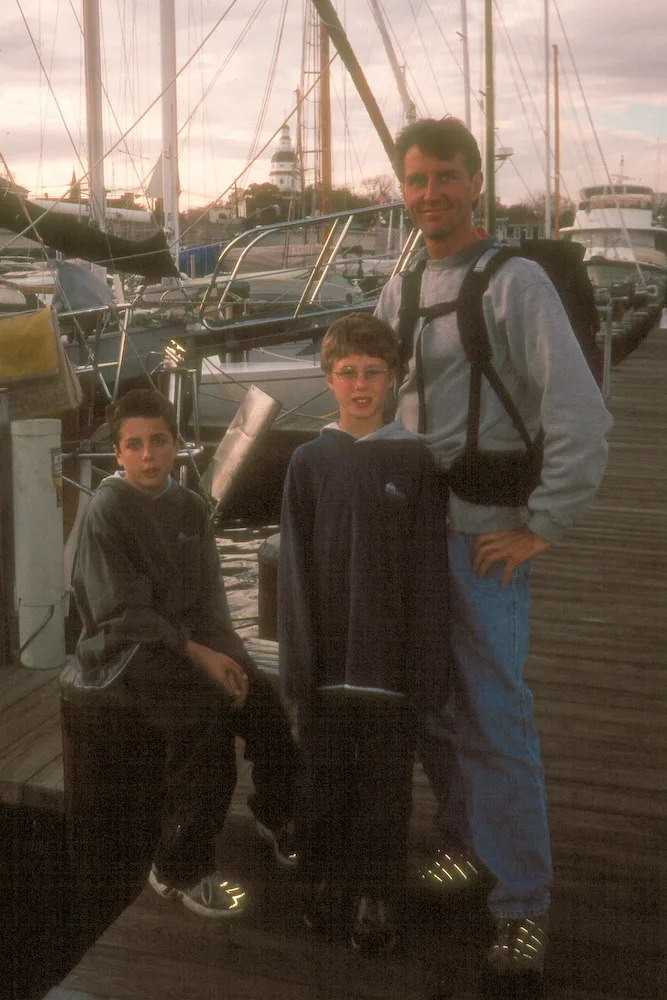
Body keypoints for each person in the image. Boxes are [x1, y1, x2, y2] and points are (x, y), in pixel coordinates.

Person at [375, 116, 613, 976]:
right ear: (399, 189)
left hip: (482, 542)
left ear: (475, 181)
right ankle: (468, 843)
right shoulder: (400, 290)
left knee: (494, 719)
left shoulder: (515, 284)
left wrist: (543, 523)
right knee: (433, 707)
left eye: (444, 176)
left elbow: (578, 413)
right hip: (408, 536)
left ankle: (521, 905)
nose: (428, 193)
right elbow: (381, 407)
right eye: (414, 179)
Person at [73, 388, 299, 919]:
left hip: (185, 642)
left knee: (263, 702)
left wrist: (232, 658)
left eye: (159, 442)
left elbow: (209, 602)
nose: (148, 455)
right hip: (124, 651)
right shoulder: (107, 509)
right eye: (135, 445)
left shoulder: (189, 506)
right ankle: (177, 868)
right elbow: (123, 613)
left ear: (176, 444)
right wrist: (199, 655)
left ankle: (274, 810)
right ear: (117, 453)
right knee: (203, 727)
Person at [278, 313, 450, 952]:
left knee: (385, 789)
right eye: (347, 372)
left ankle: (378, 891)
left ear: (394, 379)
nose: (359, 384)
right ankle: (325, 881)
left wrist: (430, 667)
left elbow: (432, 573)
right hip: (325, 669)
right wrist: (298, 663)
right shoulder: (308, 461)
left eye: (373, 373)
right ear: (328, 379)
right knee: (322, 781)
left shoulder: (417, 460)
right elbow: (293, 568)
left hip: (391, 669)